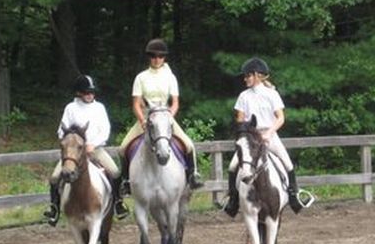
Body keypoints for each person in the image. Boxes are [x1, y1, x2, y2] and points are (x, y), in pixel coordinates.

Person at [223, 57, 314, 216]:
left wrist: (269, 132)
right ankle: (233, 200)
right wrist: (247, 132)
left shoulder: (272, 94)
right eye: (245, 76)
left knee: (287, 163)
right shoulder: (243, 96)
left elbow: (280, 118)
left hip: (269, 134)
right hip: (251, 136)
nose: (245, 79)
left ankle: (294, 196)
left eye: (247, 76)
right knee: (232, 166)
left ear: (257, 75)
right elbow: (240, 119)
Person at [43, 74, 129, 226]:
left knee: (115, 172)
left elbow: (105, 130)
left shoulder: (99, 108)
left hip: (95, 149)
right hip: (74, 153)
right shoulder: (70, 108)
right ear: (79, 92)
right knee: (55, 177)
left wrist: (93, 144)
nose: (90, 95)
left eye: (92, 92)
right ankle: (54, 208)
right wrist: (71, 145)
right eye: (87, 92)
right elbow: (61, 131)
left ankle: (118, 204)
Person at [119, 38, 203, 192]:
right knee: (123, 148)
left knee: (189, 145)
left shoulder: (170, 77)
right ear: (149, 57)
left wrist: (170, 115)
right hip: (147, 117)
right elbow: (136, 103)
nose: (157, 59)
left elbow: (175, 102)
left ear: (164, 58)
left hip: (165, 117)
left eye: (160, 56)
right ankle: (126, 181)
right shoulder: (141, 77)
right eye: (153, 56)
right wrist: (142, 120)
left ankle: (193, 175)